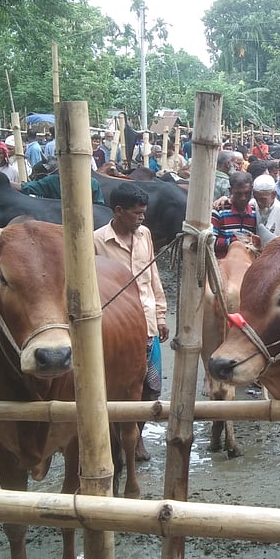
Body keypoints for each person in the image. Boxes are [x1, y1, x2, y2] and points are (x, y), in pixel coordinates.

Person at [94, 183, 168, 461]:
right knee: (116, 386)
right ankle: (117, 440)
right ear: (118, 211)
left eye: (143, 213)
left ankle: (135, 436)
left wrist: (161, 314)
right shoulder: (97, 240)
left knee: (151, 388)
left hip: (147, 322)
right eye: (137, 213)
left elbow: (154, 277)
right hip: (115, 328)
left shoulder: (145, 235)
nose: (142, 218)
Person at [211, 172, 257, 258]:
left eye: (247, 193)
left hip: (248, 263)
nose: (243, 198)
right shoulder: (220, 211)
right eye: (238, 194)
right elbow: (210, 242)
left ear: (251, 190)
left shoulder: (255, 212)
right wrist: (234, 241)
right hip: (223, 264)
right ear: (230, 190)